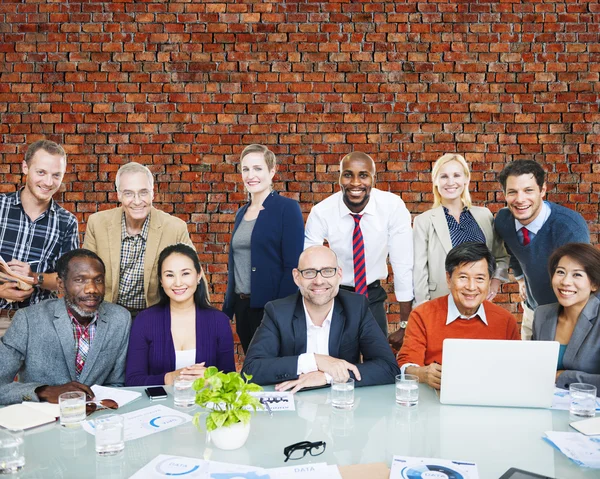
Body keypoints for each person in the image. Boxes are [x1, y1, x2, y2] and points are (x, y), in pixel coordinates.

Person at [242, 246, 400, 393]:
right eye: (309, 272)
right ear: (297, 277)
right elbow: (251, 371)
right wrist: (315, 361)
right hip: (295, 406)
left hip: (342, 408)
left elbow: (388, 368)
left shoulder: (356, 307)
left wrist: (327, 376)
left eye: (327, 271)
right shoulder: (278, 312)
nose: (318, 281)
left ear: (339, 275)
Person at [304, 151, 413, 348]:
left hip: (372, 295)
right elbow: (309, 266)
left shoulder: (392, 207)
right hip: (336, 297)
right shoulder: (322, 212)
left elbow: (402, 263)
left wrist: (405, 324)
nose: (355, 183)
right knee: (339, 366)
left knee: (380, 361)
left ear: (373, 178)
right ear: (339, 178)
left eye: (363, 175)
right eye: (348, 174)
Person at [0, 249, 130, 405]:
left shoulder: (120, 319)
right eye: (80, 280)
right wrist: (44, 391)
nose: (92, 289)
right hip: (41, 421)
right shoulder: (28, 320)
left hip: (97, 421)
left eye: (98, 280)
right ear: (61, 285)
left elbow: (116, 385)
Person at [398, 242, 520, 390]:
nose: (471, 287)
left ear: (489, 281)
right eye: (463, 277)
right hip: (435, 400)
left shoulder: (505, 320)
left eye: (480, 279)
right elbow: (407, 364)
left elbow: (516, 370)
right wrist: (422, 373)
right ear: (449, 279)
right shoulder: (422, 315)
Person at [83, 162, 196, 319]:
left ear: (153, 194)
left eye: (143, 192)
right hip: (107, 314)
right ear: (119, 195)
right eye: (129, 193)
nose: (137, 201)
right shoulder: (97, 223)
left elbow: (195, 277)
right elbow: (85, 276)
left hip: (155, 315)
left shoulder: (175, 228)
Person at [494, 160, 590, 340]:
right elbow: (512, 251)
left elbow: (582, 280)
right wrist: (521, 279)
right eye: (512, 192)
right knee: (528, 365)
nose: (520, 199)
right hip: (532, 309)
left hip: (566, 314)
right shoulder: (503, 221)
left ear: (542, 190)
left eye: (528, 190)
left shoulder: (569, 228)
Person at [223, 144, 304, 353]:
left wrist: (279, 312)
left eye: (258, 168)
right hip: (243, 308)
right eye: (246, 169)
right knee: (253, 370)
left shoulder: (287, 208)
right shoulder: (241, 213)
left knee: (270, 369)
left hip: (271, 310)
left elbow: (292, 266)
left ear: (272, 171)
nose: (251, 175)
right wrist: (227, 311)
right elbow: (236, 266)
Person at [126, 243, 235, 386]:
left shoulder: (219, 321)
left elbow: (232, 379)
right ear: (161, 280)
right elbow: (132, 381)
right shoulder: (144, 321)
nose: (178, 283)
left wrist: (213, 378)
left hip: (206, 405)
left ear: (198, 275)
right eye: (170, 275)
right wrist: (170, 378)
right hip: (157, 406)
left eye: (185, 273)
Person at [0, 140, 79, 335]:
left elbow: (67, 280)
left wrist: (35, 277)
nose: (48, 182)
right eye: (41, 172)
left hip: (39, 325)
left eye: (56, 175)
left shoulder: (67, 222)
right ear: (25, 167)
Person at [413, 154, 509, 305]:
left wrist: (494, 283)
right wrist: (423, 308)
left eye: (456, 175)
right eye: (444, 176)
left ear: (466, 179)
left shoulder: (484, 216)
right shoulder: (423, 221)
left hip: (478, 302)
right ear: (436, 181)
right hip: (440, 301)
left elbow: (500, 257)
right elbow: (419, 271)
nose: (450, 182)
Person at [532, 243, 600, 392]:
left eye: (577, 274)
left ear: (594, 284)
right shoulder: (541, 315)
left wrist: (563, 377)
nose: (565, 282)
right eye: (561, 272)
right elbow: (534, 368)